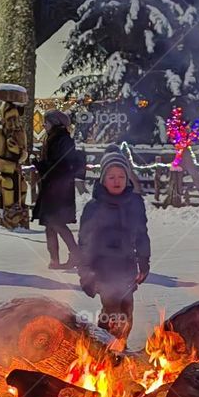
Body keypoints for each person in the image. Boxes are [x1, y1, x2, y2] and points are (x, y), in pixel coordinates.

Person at [77, 152, 150, 350]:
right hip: (102, 268)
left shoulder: (135, 203)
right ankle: (104, 349)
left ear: (127, 179)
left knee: (126, 311)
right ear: (103, 179)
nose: (117, 181)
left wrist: (144, 262)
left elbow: (142, 234)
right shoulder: (94, 207)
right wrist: (86, 274)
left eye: (121, 176)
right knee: (112, 311)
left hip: (126, 266)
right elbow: (84, 242)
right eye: (111, 177)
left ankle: (118, 348)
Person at [33, 109, 83, 269]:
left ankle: (75, 254)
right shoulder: (53, 138)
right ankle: (54, 259)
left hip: (59, 189)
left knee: (57, 223)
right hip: (52, 187)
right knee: (50, 223)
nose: (43, 125)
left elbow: (59, 164)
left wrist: (40, 165)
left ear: (54, 123)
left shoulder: (62, 139)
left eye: (46, 122)